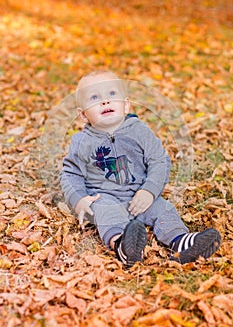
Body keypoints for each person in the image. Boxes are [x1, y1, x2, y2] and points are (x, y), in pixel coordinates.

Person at [60, 70, 221, 267]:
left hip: (140, 194)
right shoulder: (81, 142)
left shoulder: (139, 130)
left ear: (126, 104)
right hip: (105, 197)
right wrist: (79, 199)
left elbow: (159, 161)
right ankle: (122, 245)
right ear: (83, 115)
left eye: (111, 94)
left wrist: (149, 191)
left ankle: (182, 242)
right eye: (95, 98)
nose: (105, 102)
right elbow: (70, 173)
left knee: (164, 210)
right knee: (105, 213)